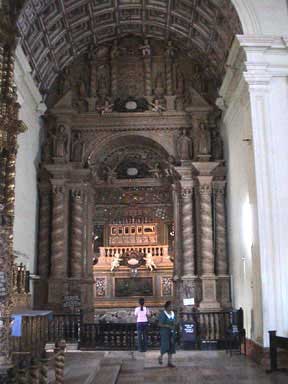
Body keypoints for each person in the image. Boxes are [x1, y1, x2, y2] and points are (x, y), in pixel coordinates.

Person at [158, 301, 176, 367]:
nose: (172, 307)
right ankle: (160, 357)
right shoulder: (163, 314)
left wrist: (174, 324)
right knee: (165, 346)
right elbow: (159, 324)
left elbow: (174, 321)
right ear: (167, 306)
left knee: (171, 346)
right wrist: (167, 326)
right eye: (171, 306)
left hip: (172, 332)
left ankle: (170, 362)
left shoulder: (173, 313)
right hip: (165, 332)